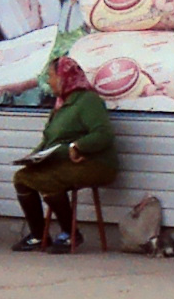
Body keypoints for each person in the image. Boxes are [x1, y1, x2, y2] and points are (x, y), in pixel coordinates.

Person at [10, 51, 117, 251]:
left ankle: (71, 234)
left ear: (63, 77)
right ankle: (38, 235)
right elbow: (49, 141)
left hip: (95, 164)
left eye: (51, 76)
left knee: (48, 180)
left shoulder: (87, 101)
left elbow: (103, 134)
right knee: (22, 178)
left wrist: (78, 146)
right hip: (64, 163)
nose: (49, 82)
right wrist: (33, 157)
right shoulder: (61, 105)